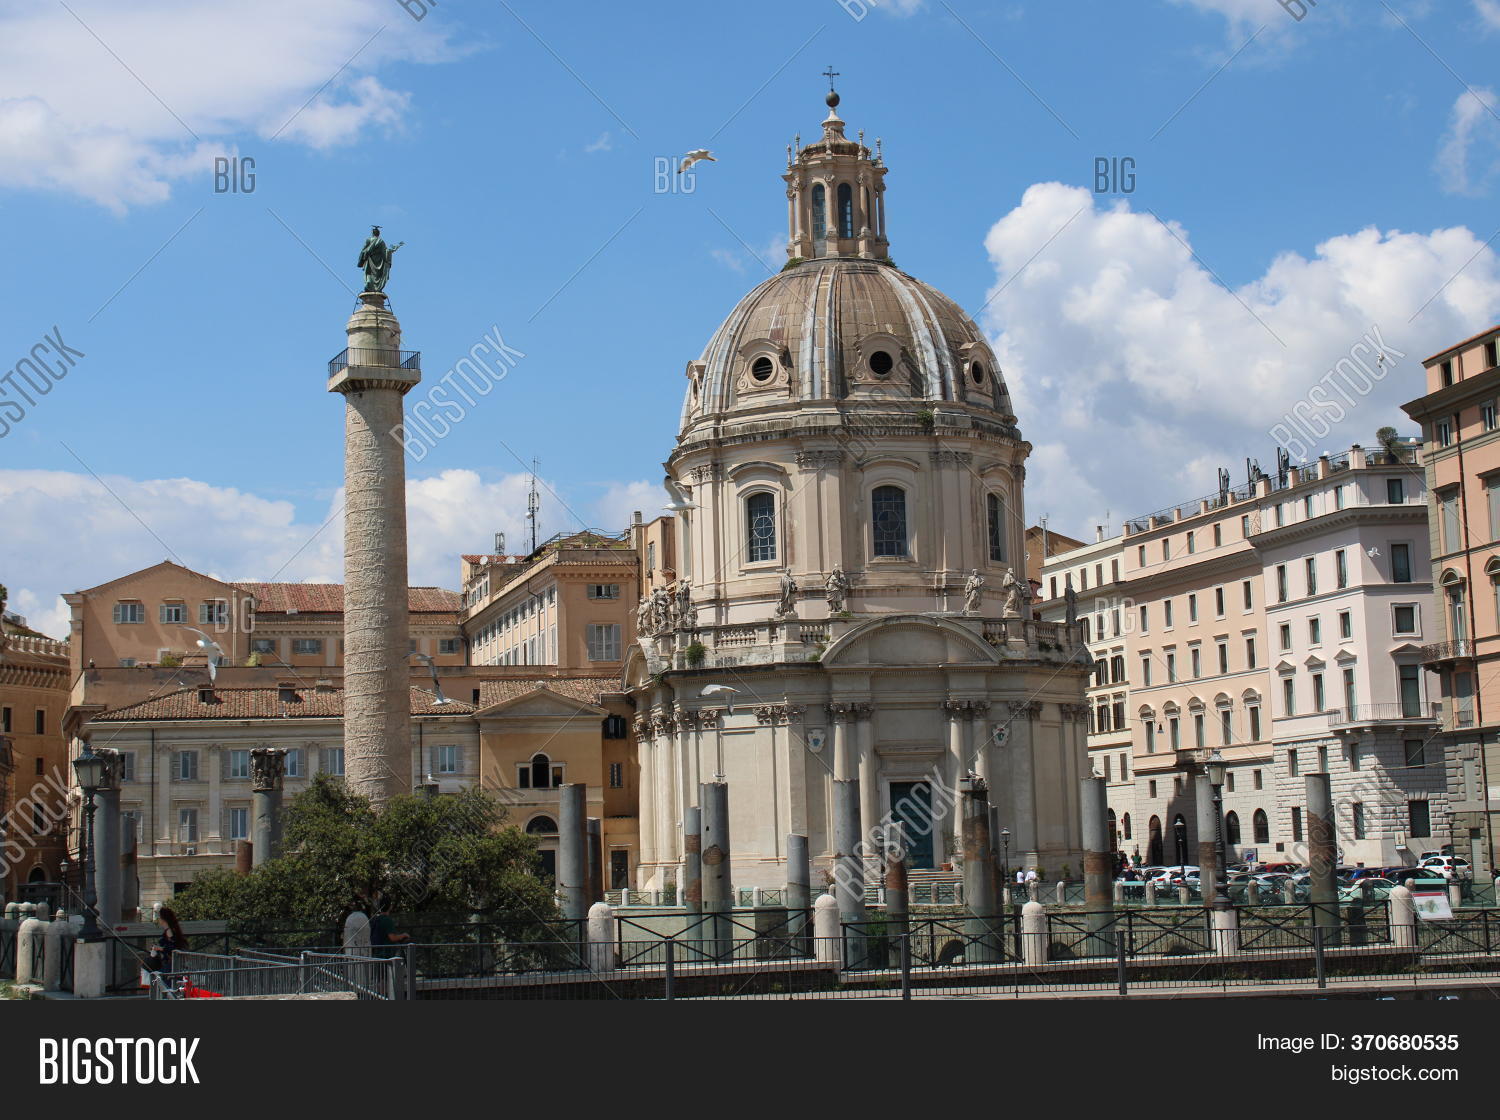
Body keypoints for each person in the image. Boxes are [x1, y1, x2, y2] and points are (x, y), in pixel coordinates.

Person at [145, 905, 187, 974]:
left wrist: (159, 948)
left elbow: (172, 948)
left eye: (160, 917)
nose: (158, 919)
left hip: (170, 964)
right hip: (169, 963)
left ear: (163, 919)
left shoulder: (169, 931)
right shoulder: (169, 930)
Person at [368, 890, 411, 957]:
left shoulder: (375, 919)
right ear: (390, 906)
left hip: (375, 954)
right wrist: (403, 935)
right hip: (386, 954)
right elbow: (392, 938)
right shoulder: (387, 920)